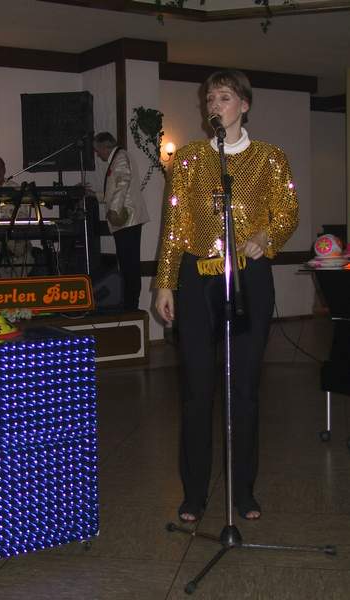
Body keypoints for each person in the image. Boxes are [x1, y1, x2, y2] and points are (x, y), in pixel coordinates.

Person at [154, 69, 298, 523]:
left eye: (224, 97)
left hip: (249, 279)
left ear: (244, 105)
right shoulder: (190, 159)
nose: (214, 105)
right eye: (209, 99)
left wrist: (265, 236)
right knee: (197, 389)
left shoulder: (270, 158)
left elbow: (287, 212)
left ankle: (243, 491)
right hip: (197, 279)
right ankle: (194, 492)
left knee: (245, 389)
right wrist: (164, 282)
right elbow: (174, 225)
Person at [93, 132, 149, 311]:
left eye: (97, 150)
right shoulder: (119, 157)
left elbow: (123, 183)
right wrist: (93, 195)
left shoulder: (120, 157)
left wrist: (114, 210)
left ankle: (131, 306)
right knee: (127, 265)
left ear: (105, 146)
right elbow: (113, 192)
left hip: (127, 221)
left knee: (129, 265)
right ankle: (130, 304)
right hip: (126, 221)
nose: (97, 154)